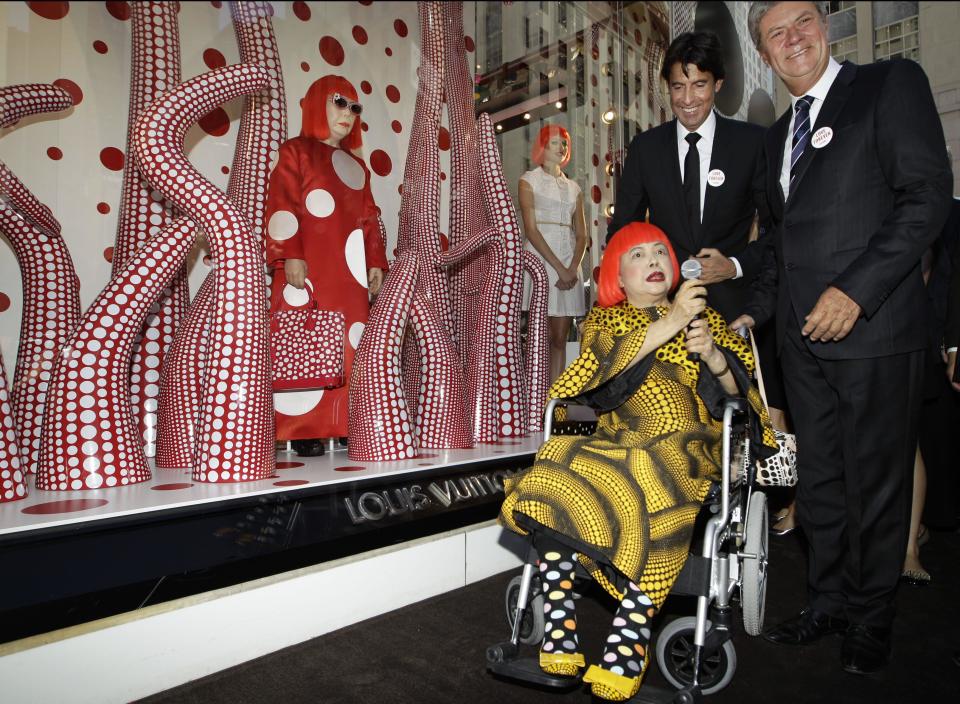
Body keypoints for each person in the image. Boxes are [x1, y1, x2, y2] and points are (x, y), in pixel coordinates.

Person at [732, 1, 953, 675]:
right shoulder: (776, 141)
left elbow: (927, 197)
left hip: (877, 328)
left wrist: (855, 291)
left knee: (878, 481)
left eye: (803, 21)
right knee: (820, 481)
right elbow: (778, 245)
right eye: (776, 33)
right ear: (765, 54)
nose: (793, 38)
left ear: (825, 28)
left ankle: (872, 616)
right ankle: (828, 601)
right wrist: (749, 311)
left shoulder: (890, 85)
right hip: (802, 341)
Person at [499, 222, 777, 701]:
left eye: (659, 254)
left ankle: (631, 634)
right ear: (618, 278)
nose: (652, 262)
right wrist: (665, 325)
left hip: (686, 441)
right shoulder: (605, 323)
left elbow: (741, 397)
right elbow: (592, 382)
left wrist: (711, 355)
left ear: (674, 269)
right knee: (556, 461)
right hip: (618, 432)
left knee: (656, 465)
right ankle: (560, 622)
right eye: (638, 256)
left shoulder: (707, 322)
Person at [607, 29, 789, 434]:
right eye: (678, 86)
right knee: (681, 427)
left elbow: (779, 234)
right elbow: (622, 232)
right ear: (666, 88)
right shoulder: (646, 148)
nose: (688, 98)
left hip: (739, 313)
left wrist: (735, 266)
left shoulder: (753, 143)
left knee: (753, 427)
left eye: (699, 85)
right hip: (664, 316)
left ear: (718, 85)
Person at [264, 75, 388, 457]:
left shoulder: (358, 168)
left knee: (352, 343)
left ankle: (348, 420)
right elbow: (282, 202)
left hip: (348, 272)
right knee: (303, 341)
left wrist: (376, 262)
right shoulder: (295, 151)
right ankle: (303, 428)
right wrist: (290, 253)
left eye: (355, 108)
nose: (348, 114)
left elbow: (369, 220)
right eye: (339, 102)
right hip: (309, 267)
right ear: (319, 103)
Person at [518, 125, 588, 382]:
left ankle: (554, 403)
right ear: (542, 147)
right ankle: (535, 400)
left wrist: (572, 268)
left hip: (570, 260)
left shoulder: (574, 188)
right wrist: (560, 268)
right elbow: (531, 230)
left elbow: (582, 235)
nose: (562, 148)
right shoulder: (528, 180)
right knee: (540, 337)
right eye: (555, 143)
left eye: (565, 144)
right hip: (541, 259)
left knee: (560, 337)